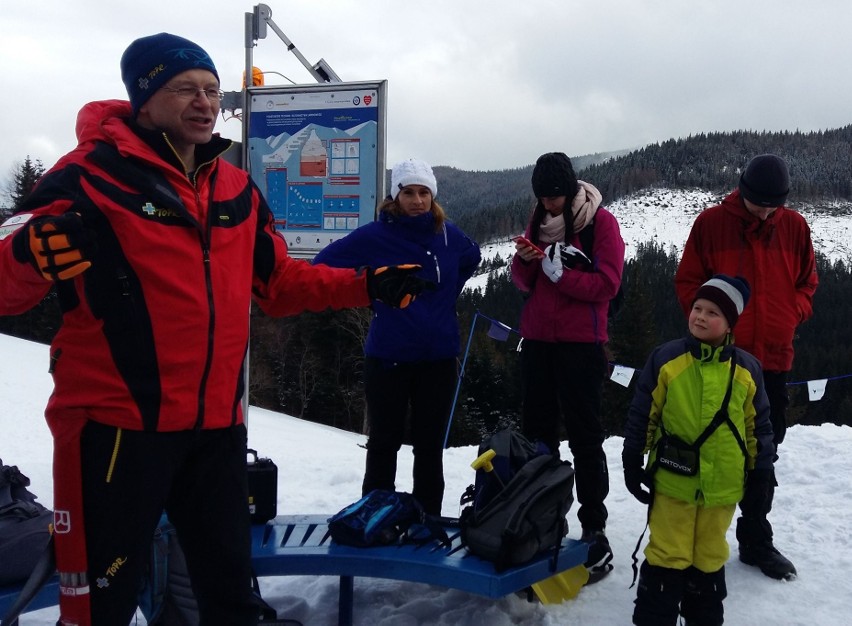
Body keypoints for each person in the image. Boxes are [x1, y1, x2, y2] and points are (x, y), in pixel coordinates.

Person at [0, 33, 425, 626]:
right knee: (99, 606)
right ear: (144, 100)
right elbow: (7, 274)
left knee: (230, 598)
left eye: (209, 89)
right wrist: (29, 252)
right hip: (115, 432)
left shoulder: (235, 187)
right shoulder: (86, 177)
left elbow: (278, 284)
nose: (203, 102)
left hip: (215, 434)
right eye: (183, 90)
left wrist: (366, 285)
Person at [674, 153, 817, 581]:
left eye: (772, 204)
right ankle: (696, 535)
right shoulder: (711, 223)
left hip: (773, 360)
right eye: (757, 203)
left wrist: (792, 313)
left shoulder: (794, 227)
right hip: (721, 360)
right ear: (743, 190)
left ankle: (755, 540)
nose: (764, 211)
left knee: (763, 454)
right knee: (709, 445)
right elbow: (688, 282)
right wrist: (708, 326)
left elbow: (807, 282)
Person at [314, 158, 481, 515]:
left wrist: (446, 294)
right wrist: (368, 287)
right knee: (383, 444)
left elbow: (472, 257)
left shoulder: (449, 235)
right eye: (409, 192)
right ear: (396, 196)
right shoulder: (376, 235)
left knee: (429, 447)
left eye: (424, 193)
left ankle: (427, 518)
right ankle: (374, 516)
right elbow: (323, 264)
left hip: (438, 358)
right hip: (388, 356)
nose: (417, 200)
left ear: (433, 197)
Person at [622, 274, 776, 626]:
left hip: (723, 487)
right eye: (697, 308)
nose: (701, 317)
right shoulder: (667, 359)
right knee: (667, 554)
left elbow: (759, 427)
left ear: (730, 325)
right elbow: (643, 411)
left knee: (709, 557)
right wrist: (633, 455)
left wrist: (761, 472)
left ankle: (704, 617)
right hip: (673, 482)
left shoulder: (747, 370)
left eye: (712, 312)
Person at [510, 151, 624, 580]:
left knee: (585, 436)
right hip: (538, 340)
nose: (550, 204)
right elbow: (525, 285)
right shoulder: (537, 221)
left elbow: (608, 284)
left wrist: (563, 276)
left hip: (582, 345)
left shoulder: (600, 223)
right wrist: (525, 265)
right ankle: (545, 519)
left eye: (556, 196)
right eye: (543, 197)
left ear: (572, 189)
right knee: (538, 434)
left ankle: (594, 526)